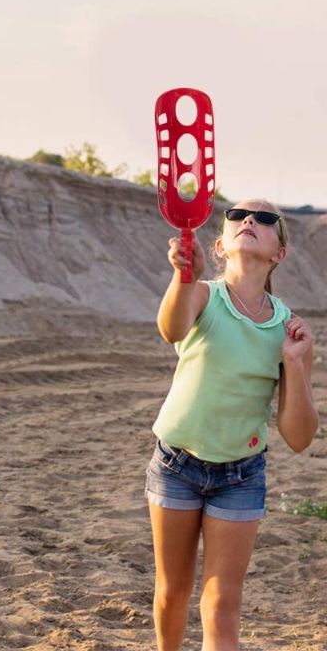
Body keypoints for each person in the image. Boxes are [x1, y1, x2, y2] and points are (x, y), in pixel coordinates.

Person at [146, 199, 318, 651]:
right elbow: (170, 328)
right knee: (172, 593)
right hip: (176, 464)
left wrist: (296, 365)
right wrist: (184, 275)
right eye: (239, 215)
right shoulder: (202, 295)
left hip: (240, 476)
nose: (249, 221)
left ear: (279, 253)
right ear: (220, 245)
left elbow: (299, 438)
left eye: (265, 220)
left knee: (222, 602)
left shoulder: (290, 331)